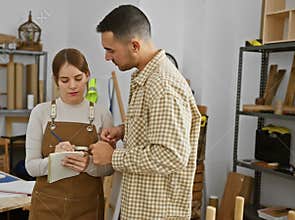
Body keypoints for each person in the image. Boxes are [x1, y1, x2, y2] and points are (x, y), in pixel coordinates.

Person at [89, 5, 201, 220]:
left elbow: (170, 156)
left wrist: (113, 157)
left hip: (156, 214)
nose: (106, 57)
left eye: (110, 50)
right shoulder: (146, 78)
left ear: (134, 45)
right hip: (139, 209)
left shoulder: (163, 85)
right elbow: (156, 129)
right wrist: (125, 130)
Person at [25, 48, 113, 220]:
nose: (72, 86)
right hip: (46, 207)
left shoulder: (103, 114)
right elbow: (31, 167)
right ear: (56, 81)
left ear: (87, 75)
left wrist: (88, 165)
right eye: (64, 80)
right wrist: (54, 160)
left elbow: (109, 168)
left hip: (87, 208)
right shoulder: (40, 112)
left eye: (78, 78)